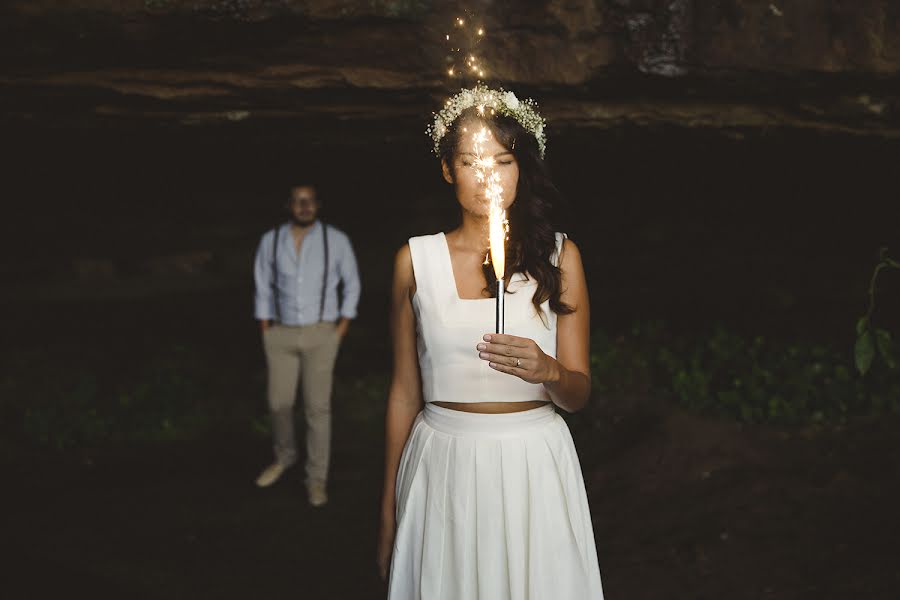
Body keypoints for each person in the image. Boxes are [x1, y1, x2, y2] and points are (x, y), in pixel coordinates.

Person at [377, 86, 605, 598]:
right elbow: (403, 394)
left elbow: (578, 394)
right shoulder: (413, 262)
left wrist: (548, 371)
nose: (488, 178)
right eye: (471, 162)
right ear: (446, 169)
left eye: (502, 161)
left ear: (520, 167)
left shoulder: (560, 256)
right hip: (443, 461)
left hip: (532, 461)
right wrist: (389, 514)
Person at [252, 184, 361, 507]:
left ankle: (316, 479)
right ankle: (285, 456)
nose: (304, 206)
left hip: (321, 333)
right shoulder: (271, 241)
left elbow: (351, 284)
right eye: (298, 201)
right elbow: (262, 285)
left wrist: (340, 328)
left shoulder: (336, 240)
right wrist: (266, 329)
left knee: (317, 408)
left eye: (309, 201)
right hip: (281, 333)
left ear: (317, 205)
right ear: (290, 206)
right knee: (279, 403)